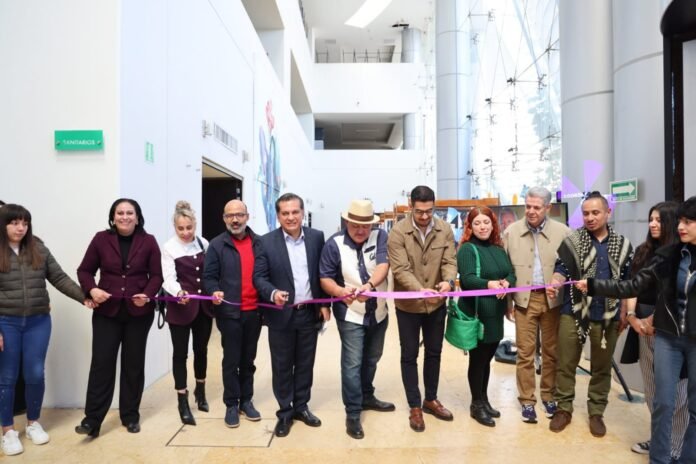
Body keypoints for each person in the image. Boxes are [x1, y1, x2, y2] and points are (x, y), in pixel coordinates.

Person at [579, 196, 696, 464]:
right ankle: (660, 457)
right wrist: (594, 285)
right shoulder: (668, 255)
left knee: (692, 407)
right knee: (662, 402)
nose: (681, 227)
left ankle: (685, 457)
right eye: (679, 221)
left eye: (688, 222)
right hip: (667, 338)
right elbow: (632, 286)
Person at [0, 204, 93, 456]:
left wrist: (84, 297)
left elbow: (59, 277)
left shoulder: (38, 248)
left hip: (38, 321)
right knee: (7, 377)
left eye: (25, 223)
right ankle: (8, 431)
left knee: (34, 373)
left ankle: (33, 423)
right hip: (6, 322)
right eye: (14, 223)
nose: (20, 228)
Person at [546, 191, 632, 438]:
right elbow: (561, 269)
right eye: (586, 213)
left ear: (608, 213)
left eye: (595, 212)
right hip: (573, 311)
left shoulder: (624, 245)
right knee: (566, 363)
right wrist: (555, 281)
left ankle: (596, 412)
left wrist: (626, 311)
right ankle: (563, 409)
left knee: (601, 367)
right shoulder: (572, 242)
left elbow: (628, 282)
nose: (590, 218)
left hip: (608, 314)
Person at [75, 198, 163, 437]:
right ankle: (92, 420)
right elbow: (84, 270)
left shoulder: (149, 241)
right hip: (107, 313)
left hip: (139, 313)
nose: (125, 217)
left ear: (138, 217)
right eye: (120, 213)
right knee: (101, 364)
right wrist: (92, 289)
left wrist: (147, 294)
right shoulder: (100, 239)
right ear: (113, 217)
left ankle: (130, 415)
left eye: (129, 213)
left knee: (133, 365)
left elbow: (157, 275)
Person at [253, 193, 330, 438]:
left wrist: (324, 302)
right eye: (285, 213)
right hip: (281, 315)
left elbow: (323, 272)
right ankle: (285, 412)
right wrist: (272, 293)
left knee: (306, 364)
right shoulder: (265, 242)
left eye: (295, 212)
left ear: (302, 212)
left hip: (308, 313)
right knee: (282, 366)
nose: (290, 217)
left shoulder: (316, 237)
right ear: (278, 216)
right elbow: (259, 277)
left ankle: (301, 407)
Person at [319, 199, 394, 440]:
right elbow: (325, 278)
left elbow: (383, 264)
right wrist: (341, 292)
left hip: (378, 311)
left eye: (365, 226)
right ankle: (352, 412)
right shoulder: (333, 244)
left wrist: (369, 285)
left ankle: (366, 396)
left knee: (372, 358)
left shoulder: (380, 236)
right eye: (355, 225)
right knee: (352, 364)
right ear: (346, 222)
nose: (361, 230)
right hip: (350, 314)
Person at [618, 202, 686, 458]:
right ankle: (659, 438)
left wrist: (654, 319)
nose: (653, 224)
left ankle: (676, 446)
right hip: (642, 328)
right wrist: (633, 317)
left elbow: (676, 293)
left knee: (676, 393)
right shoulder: (643, 251)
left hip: (671, 329)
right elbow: (632, 286)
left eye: (659, 220)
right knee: (652, 389)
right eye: (651, 219)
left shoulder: (681, 254)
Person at [387, 185, 457, 432]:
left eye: (429, 211)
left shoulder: (444, 229)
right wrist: (419, 289)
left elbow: (450, 261)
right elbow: (400, 269)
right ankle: (415, 405)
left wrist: (448, 282)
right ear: (411, 206)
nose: (425, 216)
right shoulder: (398, 232)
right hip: (408, 305)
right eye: (419, 212)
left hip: (436, 304)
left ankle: (431, 399)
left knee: (434, 352)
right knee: (409, 355)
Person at [502, 187, 570, 423]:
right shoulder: (511, 232)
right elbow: (506, 271)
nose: (530, 211)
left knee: (551, 352)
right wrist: (508, 303)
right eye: (527, 206)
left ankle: (549, 396)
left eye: (536, 207)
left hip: (552, 301)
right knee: (525, 353)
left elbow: (569, 266)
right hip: (524, 300)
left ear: (548, 208)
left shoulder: (563, 232)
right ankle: (527, 401)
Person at [203, 199, 263, 428]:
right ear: (224, 218)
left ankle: (246, 401)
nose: (235, 220)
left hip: (254, 312)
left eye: (239, 215)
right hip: (229, 314)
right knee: (231, 360)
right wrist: (213, 290)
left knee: (248, 360)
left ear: (247, 216)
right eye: (230, 216)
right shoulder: (216, 245)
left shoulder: (259, 243)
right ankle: (231, 403)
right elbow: (209, 277)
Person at [458, 206, 516, 427]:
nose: (482, 227)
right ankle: (476, 405)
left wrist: (507, 282)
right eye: (477, 223)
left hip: (495, 314)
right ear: (470, 227)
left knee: (487, 359)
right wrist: (490, 284)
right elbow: (467, 279)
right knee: (478, 360)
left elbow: (510, 272)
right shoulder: (467, 249)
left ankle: (484, 400)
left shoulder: (498, 248)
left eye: (486, 222)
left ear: (493, 225)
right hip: (478, 313)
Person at [161, 201, 213, 426]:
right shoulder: (169, 247)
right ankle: (182, 400)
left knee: (201, 350)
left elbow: (210, 272)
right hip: (180, 308)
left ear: (195, 225)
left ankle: (200, 391)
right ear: (175, 227)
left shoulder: (203, 243)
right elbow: (168, 278)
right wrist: (178, 291)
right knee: (180, 354)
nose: (185, 232)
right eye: (180, 228)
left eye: (189, 227)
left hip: (203, 309)